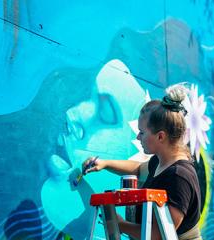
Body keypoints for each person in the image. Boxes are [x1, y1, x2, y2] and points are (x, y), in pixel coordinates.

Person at [83, 84, 202, 240]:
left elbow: (160, 234)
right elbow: (138, 169)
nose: (138, 137)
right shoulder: (159, 163)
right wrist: (105, 164)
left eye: (142, 132)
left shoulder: (179, 177)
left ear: (160, 136)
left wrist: (120, 224)